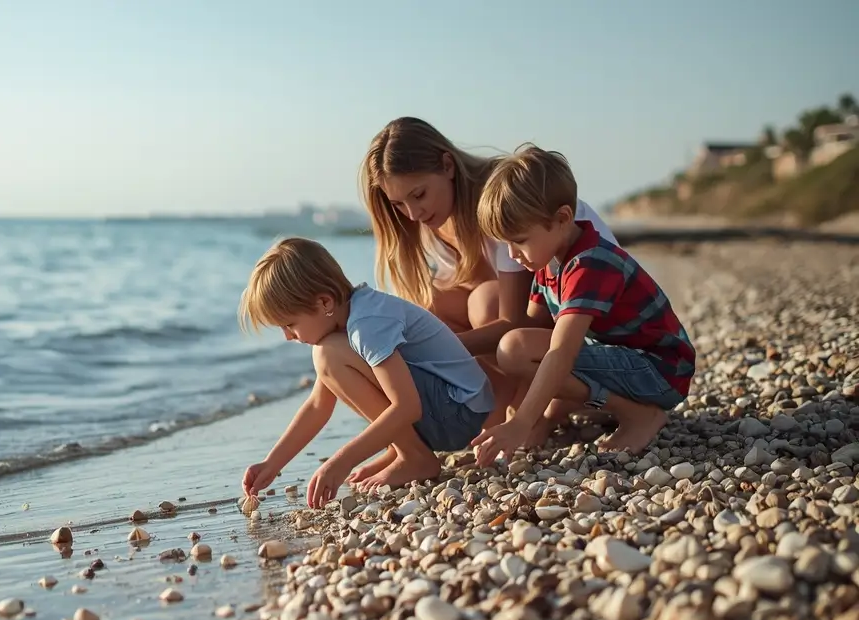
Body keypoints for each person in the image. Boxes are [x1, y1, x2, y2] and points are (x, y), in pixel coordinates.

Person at [470, 144, 696, 465]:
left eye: (518, 240)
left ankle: (638, 415)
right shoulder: (549, 262)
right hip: (627, 362)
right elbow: (537, 331)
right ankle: (555, 416)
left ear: (562, 218)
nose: (511, 255)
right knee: (514, 347)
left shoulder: (590, 263)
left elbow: (561, 351)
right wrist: (535, 413)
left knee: (514, 349)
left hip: (660, 370)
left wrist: (521, 421)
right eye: (504, 243)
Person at [236, 237, 495, 507]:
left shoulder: (366, 325)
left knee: (326, 354)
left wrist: (341, 462)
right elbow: (317, 406)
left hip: (458, 411)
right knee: (326, 355)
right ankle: (402, 450)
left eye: (289, 324)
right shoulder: (349, 319)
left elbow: (407, 407)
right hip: (451, 409)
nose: (288, 336)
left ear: (324, 303)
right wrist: (272, 463)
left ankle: (413, 456)